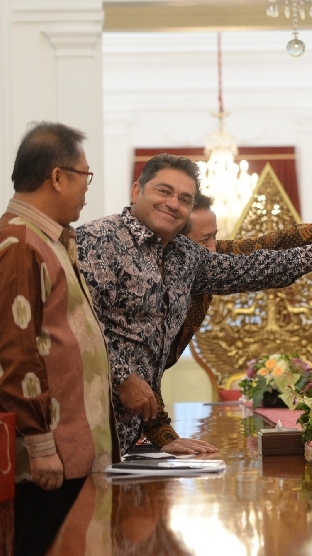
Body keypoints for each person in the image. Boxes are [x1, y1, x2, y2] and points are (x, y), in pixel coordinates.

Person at [76, 153, 312, 457]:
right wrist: (122, 378)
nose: (173, 203)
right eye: (163, 191)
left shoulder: (186, 254)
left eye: (184, 198)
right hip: (82, 416)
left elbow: (251, 266)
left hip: (124, 434)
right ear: (136, 191)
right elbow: (81, 321)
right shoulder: (99, 238)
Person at [138, 194, 312, 452]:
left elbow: (269, 245)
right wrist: (163, 435)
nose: (214, 249)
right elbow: (140, 366)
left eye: (214, 237)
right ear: (176, 243)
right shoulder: (149, 277)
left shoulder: (208, 258)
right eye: (204, 240)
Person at [0, 122, 116, 555]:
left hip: (71, 454)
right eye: (85, 176)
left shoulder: (50, 239)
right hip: (48, 462)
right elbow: (16, 351)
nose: (88, 189)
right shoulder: (19, 243)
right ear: (57, 176)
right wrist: (41, 444)